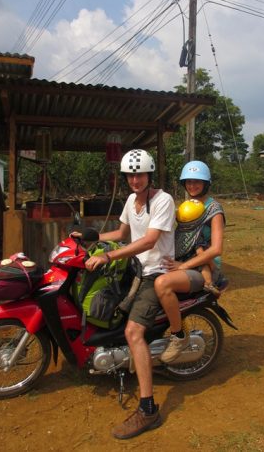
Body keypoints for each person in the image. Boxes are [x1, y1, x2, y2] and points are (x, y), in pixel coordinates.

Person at [81, 149, 175, 440]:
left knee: (133, 332)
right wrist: (90, 237)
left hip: (155, 272)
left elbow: (148, 241)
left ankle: (148, 409)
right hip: (134, 269)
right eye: (131, 175)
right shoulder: (131, 201)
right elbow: (122, 234)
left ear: (150, 175)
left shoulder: (163, 200)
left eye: (140, 174)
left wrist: (108, 258)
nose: (135, 180)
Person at [154, 160, 225, 364]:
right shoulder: (187, 206)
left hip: (205, 266)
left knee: (164, 284)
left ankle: (179, 338)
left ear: (206, 183)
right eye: (189, 181)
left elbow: (216, 249)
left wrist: (183, 265)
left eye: (198, 182)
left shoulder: (214, 209)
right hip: (185, 261)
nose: (192, 185)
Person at [176, 199, 220, 297]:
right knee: (204, 266)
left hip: (179, 261)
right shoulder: (196, 235)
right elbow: (200, 253)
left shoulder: (177, 232)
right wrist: (212, 266)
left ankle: (208, 284)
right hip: (191, 262)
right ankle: (209, 284)